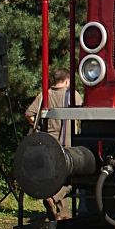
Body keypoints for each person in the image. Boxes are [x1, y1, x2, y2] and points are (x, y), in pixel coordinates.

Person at [25, 68, 83, 219]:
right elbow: (84, 114)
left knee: (54, 176)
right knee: (70, 177)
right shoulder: (72, 95)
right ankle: (54, 199)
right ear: (66, 81)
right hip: (69, 142)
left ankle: (61, 213)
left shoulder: (44, 95)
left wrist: (38, 126)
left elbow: (29, 114)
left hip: (50, 143)